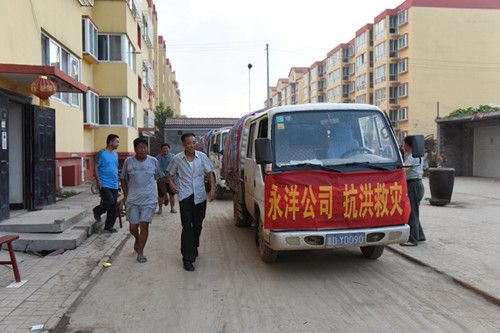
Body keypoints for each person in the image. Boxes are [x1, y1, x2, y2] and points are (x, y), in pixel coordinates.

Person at [167, 133, 215, 271]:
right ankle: (187, 258)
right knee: (187, 226)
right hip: (185, 196)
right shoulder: (177, 159)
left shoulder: (202, 157)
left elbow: (209, 173)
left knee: (198, 225)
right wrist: (172, 184)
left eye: (194, 142)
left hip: (200, 196)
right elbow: (170, 174)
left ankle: (194, 244)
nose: (192, 145)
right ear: (183, 144)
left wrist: (212, 189)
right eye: (188, 143)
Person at [121, 137, 164, 263]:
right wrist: (126, 194)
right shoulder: (129, 162)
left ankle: (140, 252)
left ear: (147, 148)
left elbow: (160, 178)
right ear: (135, 149)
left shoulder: (154, 161)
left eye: (144, 147)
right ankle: (137, 238)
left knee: (144, 225)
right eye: (139, 147)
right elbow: (123, 178)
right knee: (133, 226)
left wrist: (164, 195)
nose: (142, 150)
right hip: (133, 199)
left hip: (149, 199)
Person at [401, 136, 426, 246]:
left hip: (413, 185)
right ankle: (420, 235)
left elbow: (403, 171)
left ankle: (413, 239)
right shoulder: (417, 155)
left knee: (412, 213)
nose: (403, 146)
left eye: (404, 144)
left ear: (408, 144)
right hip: (417, 185)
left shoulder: (411, 157)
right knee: (414, 212)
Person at [93, 134, 120, 233]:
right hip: (104, 183)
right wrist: (98, 180)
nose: (118, 144)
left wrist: (118, 182)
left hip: (114, 184)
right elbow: (95, 167)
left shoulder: (115, 154)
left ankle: (108, 227)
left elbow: (114, 168)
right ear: (110, 142)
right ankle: (97, 210)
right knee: (110, 201)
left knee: (113, 206)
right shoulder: (102, 153)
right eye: (117, 141)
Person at [156, 143, 177, 214]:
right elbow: (157, 169)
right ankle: (160, 209)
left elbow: (175, 168)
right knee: (161, 195)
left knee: (172, 195)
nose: (165, 150)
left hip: (171, 180)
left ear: (169, 149)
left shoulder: (173, 157)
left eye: (167, 148)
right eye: (163, 148)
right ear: (161, 150)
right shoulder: (157, 158)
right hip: (161, 180)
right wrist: (160, 177)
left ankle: (172, 208)